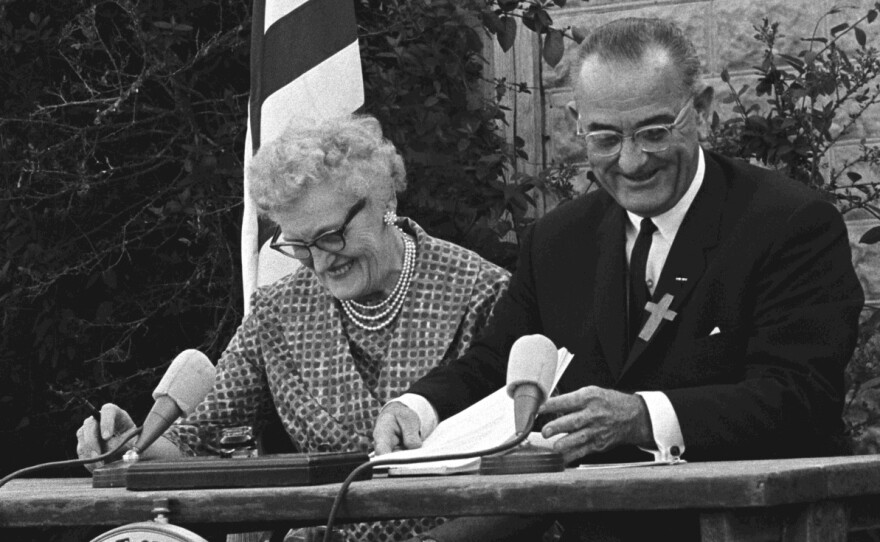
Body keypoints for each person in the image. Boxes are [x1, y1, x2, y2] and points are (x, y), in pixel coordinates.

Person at [374, 17, 865, 540]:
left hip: (748, 525)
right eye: (605, 138)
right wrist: (417, 408)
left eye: (654, 132)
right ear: (574, 122)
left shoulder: (789, 223)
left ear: (701, 108)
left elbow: (800, 397)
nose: (631, 162)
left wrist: (641, 416)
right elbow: (499, 361)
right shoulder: (558, 239)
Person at [75, 113, 510, 542]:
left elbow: (527, 476)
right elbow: (194, 445)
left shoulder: (482, 292)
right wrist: (130, 444)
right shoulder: (278, 312)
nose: (321, 262)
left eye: (331, 236)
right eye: (300, 246)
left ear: (384, 202)